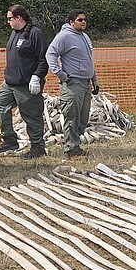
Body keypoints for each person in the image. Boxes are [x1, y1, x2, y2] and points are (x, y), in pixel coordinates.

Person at [0, 4, 49, 159]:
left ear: (19, 17)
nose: (8, 22)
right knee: (0, 105)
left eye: (10, 18)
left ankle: (37, 147)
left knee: (31, 115)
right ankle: (9, 139)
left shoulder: (35, 34)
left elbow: (44, 58)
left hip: (26, 83)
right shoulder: (14, 33)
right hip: (10, 82)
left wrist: (37, 76)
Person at [45, 9, 97, 158]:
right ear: (71, 22)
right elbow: (50, 54)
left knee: (82, 118)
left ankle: (75, 145)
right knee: (71, 116)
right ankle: (71, 149)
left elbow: (89, 60)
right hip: (72, 83)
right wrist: (60, 74)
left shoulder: (85, 37)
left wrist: (94, 80)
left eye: (85, 20)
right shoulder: (64, 36)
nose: (83, 22)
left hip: (86, 83)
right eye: (80, 20)